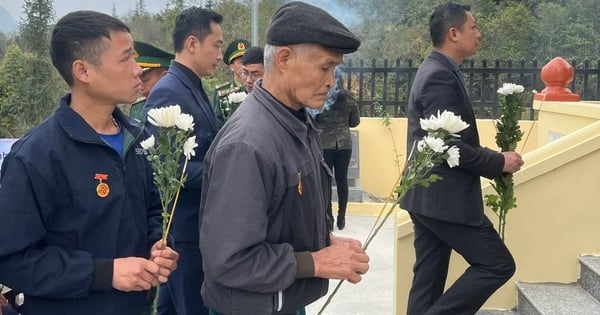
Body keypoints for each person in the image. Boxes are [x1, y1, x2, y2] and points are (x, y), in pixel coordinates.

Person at [0, 10, 179, 315]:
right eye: (125, 59)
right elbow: (12, 261)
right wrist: (105, 273)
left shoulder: (138, 139)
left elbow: (152, 212)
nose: (138, 70)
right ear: (83, 71)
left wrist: (159, 245)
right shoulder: (37, 156)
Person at [199, 2, 370, 314]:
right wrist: (315, 261)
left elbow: (278, 219)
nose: (332, 81)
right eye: (325, 67)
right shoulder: (247, 144)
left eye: (334, 69)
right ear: (284, 59)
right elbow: (229, 261)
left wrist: (324, 242)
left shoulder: (293, 122)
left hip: (281, 298)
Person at [400, 3, 523, 314]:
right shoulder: (439, 76)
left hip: (428, 198)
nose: (479, 34)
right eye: (474, 27)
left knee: (427, 284)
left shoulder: (439, 69)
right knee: (497, 264)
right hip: (444, 200)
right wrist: (498, 162)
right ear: (453, 34)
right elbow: (446, 146)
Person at [142, 7, 222, 315]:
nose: (219, 54)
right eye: (215, 45)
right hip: (183, 234)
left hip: (194, 230)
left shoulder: (192, 86)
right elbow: (169, 169)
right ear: (192, 44)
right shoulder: (168, 92)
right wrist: (225, 172)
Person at [315, 67, 360, 231]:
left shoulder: (322, 97)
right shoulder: (349, 98)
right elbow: (355, 122)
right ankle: (342, 217)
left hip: (324, 144)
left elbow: (313, 118)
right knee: (342, 180)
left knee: (325, 181)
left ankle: (329, 217)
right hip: (344, 145)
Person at [130, 41, 174, 121]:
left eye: (145, 79)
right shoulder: (137, 109)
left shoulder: (182, 105)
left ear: (165, 77)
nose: (139, 85)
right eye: (137, 78)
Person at [212, 39, 250, 123]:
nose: (244, 66)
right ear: (232, 67)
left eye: (247, 62)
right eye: (241, 62)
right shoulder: (221, 93)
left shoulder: (258, 89)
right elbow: (218, 123)